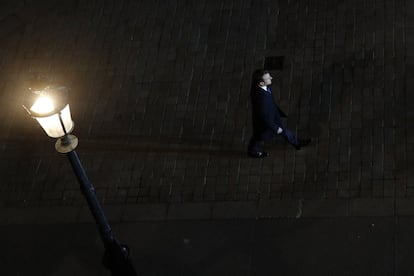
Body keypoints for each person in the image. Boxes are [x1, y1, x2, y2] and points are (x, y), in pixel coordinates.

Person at [248, 69, 310, 158]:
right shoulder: (261, 99)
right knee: (259, 137)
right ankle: (253, 151)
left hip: (272, 118)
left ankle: (297, 143)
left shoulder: (262, 87)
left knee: (281, 132)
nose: (271, 78)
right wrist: (276, 128)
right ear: (261, 83)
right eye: (268, 78)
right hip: (267, 124)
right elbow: (264, 116)